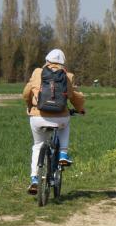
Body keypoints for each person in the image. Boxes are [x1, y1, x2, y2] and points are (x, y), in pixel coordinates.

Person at [23, 49, 85, 194]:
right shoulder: (68, 76)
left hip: (38, 117)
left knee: (38, 145)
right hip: (60, 117)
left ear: (47, 61)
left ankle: (34, 179)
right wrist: (80, 108)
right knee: (65, 123)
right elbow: (73, 96)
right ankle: (63, 153)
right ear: (63, 62)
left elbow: (26, 92)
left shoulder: (37, 72)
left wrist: (29, 106)